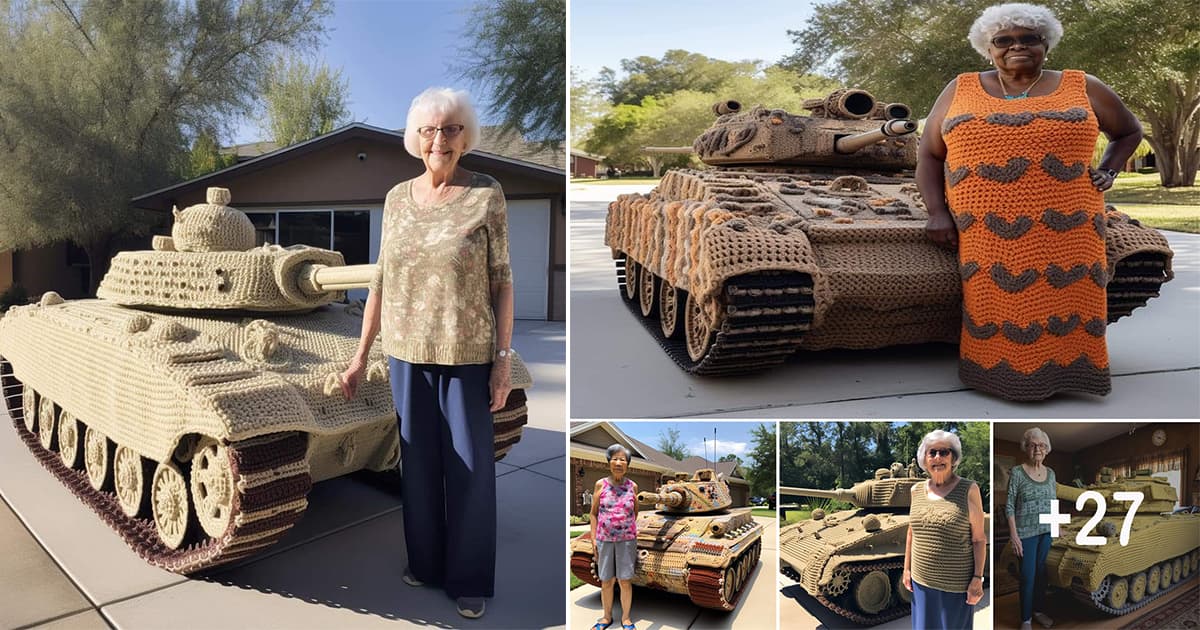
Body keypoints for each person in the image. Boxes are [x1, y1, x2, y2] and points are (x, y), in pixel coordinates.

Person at [339, 86, 514, 620]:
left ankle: (467, 578)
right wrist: (361, 354)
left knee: (469, 469)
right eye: (430, 129)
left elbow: (503, 280)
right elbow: (381, 283)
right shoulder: (396, 198)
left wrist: (503, 358)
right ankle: (426, 563)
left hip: (467, 355)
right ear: (415, 138)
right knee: (416, 465)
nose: (440, 139)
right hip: (406, 355)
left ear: (466, 136)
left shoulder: (486, 193)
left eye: (451, 128)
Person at [916, 3, 1144, 400]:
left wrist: (1109, 168)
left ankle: (1072, 376)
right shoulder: (961, 88)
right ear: (988, 49)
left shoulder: (1081, 85)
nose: (1016, 46)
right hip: (985, 230)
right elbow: (930, 155)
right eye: (1003, 40)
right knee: (996, 301)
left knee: (1068, 299)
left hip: (1070, 227)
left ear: (1046, 45)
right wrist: (937, 212)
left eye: (1029, 39)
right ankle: (993, 376)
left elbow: (1128, 131)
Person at [903, 430, 987, 629]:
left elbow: (978, 539)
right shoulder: (916, 491)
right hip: (921, 581)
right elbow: (911, 532)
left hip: (954, 586)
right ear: (925, 458)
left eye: (944, 452)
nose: (938, 458)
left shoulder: (969, 489)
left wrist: (977, 578)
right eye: (932, 453)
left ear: (954, 457)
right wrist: (906, 569)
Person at [1006, 428, 1057, 629]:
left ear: (1046, 449)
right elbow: (1009, 504)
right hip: (1025, 534)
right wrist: (1014, 536)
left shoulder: (1051, 473)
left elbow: (1053, 501)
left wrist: (1056, 526)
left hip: (1046, 532)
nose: (1037, 448)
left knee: (1042, 574)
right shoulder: (1017, 472)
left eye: (1041, 445)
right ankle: (1025, 618)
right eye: (1032, 445)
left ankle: (1038, 610)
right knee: (1027, 576)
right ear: (1026, 448)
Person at [589, 444, 639, 630]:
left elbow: (634, 513)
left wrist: (624, 528)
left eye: (623, 459)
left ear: (627, 464)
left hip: (627, 541)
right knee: (606, 580)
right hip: (604, 541)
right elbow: (593, 514)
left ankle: (626, 619)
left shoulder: (632, 486)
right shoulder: (600, 485)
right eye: (615, 459)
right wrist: (594, 539)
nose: (618, 462)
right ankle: (606, 617)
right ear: (609, 462)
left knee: (625, 581)